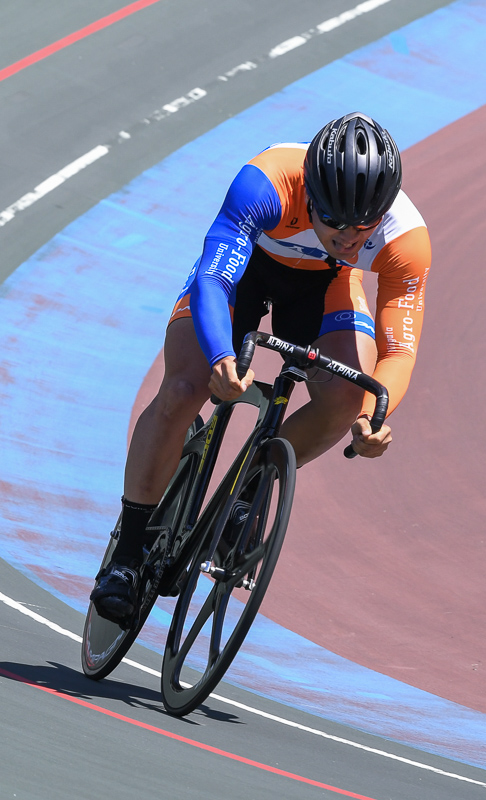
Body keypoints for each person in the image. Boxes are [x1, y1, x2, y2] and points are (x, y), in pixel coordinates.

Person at [90, 112, 432, 623]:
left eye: (364, 227)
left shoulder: (405, 240)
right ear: (310, 197)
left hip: (327, 287)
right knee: (185, 387)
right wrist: (223, 359)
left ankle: (246, 494)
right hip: (243, 272)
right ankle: (127, 553)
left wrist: (374, 419)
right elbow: (214, 281)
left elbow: (398, 351)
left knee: (346, 401)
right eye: (335, 223)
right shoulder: (267, 182)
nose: (349, 237)